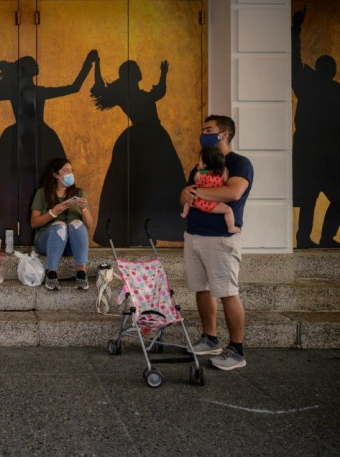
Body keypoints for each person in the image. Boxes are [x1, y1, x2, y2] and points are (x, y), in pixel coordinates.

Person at [0, 51, 97, 244]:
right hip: (30, 138)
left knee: (33, 181)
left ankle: (48, 228)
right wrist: (88, 64)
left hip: (29, 138)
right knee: (14, 183)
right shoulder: (31, 91)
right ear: (28, 71)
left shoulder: (23, 91)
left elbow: (74, 87)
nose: (36, 68)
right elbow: (74, 87)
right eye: (33, 65)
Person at [180, 115, 253, 371]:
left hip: (221, 238)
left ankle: (236, 350)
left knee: (227, 292)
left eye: (209, 129)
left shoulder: (239, 163)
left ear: (224, 134)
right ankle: (210, 338)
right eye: (203, 129)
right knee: (201, 288)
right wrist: (185, 194)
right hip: (194, 235)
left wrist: (196, 192)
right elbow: (187, 193)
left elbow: (232, 192)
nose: (204, 133)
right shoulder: (201, 163)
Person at [90, 55, 187, 247]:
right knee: (145, 185)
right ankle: (137, 231)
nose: (141, 72)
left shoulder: (128, 95)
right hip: (152, 140)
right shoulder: (129, 95)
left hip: (140, 139)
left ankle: (145, 230)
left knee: (147, 185)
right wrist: (98, 65)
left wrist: (164, 74)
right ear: (133, 74)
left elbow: (158, 92)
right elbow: (100, 87)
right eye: (137, 69)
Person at [291, 6, 340, 248]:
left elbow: (293, 60)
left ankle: (316, 238)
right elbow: (293, 61)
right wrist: (295, 30)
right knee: (309, 197)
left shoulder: (312, 86)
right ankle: (309, 238)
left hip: (325, 152)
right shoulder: (308, 85)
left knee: (315, 198)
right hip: (318, 152)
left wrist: (296, 30)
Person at [30, 158, 94, 290]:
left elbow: (89, 224)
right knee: (60, 225)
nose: (70, 173)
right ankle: (51, 273)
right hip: (47, 243)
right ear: (56, 175)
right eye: (66, 170)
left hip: (72, 246)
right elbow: (34, 223)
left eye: (71, 170)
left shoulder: (79, 193)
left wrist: (84, 209)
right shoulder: (42, 193)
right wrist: (52, 213)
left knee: (77, 223)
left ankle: (81, 273)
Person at [181, 146, 241, 234]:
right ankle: (231, 227)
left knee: (189, 199)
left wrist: (199, 172)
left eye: (200, 161)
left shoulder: (199, 174)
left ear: (206, 164)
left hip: (199, 202)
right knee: (228, 210)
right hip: (212, 204)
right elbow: (225, 182)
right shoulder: (222, 173)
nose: (199, 163)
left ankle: (184, 213)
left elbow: (196, 181)